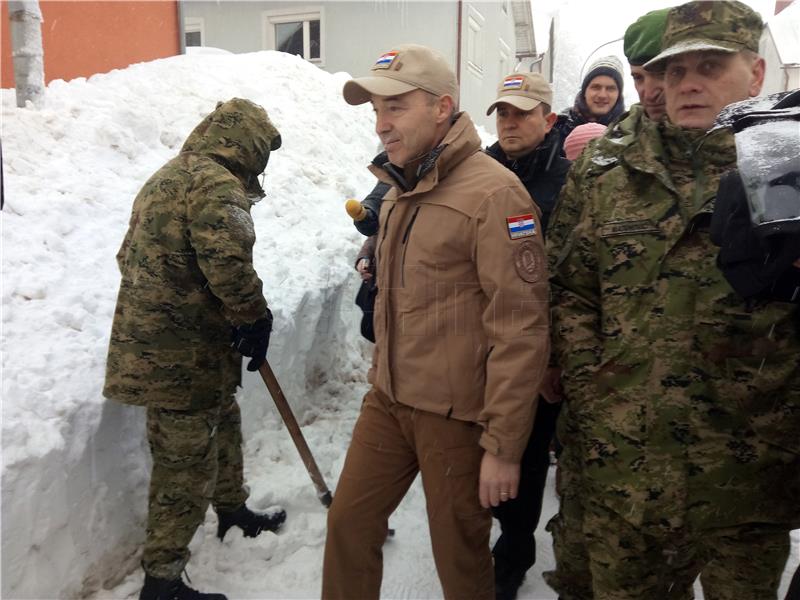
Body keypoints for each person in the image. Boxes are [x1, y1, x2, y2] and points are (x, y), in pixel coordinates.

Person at [549, 1, 800, 598]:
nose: (687, 84)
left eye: (711, 67)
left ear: (755, 75)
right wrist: (598, 390)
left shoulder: (790, 167)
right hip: (627, 472)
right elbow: (571, 291)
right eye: (673, 69)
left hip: (748, 473)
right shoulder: (605, 170)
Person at [322, 44, 550, 600]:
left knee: (460, 555)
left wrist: (503, 445)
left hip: (455, 413)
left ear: (442, 107)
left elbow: (520, 327)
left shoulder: (496, 194)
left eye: (395, 107)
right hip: (389, 399)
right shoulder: (401, 189)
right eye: (376, 110)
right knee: (348, 523)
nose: (381, 124)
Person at [104, 98, 286, 600]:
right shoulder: (218, 186)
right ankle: (162, 581)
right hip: (178, 359)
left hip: (178, 346)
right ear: (247, 145)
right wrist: (255, 317)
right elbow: (228, 265)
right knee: (181, 467)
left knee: (223, 420)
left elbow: (129, 257)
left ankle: (231, 510)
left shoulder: (166, 177)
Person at [543, 10, 672, 599]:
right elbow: (567, 279)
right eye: (640, 75)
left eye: (654, 75)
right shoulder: (594, 162)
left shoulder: (752, 164)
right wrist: (579, 372)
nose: (654, 89)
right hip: (600, 396)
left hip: (693, 430)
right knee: (585, 535)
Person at [482, 71, 570, 600]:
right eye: (504, 113)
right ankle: (485, 535)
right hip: (478, 345)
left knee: (527, 456)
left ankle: (514, 551)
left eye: (523, 112)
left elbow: (571, 277)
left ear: (549, 119)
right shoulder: (476, 171)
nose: (511, 123)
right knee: (480, 451)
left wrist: (552, 359)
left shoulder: (568, 182)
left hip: (535, 349)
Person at [552, 55, 625, 151]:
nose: (602, 95)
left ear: (618, 95)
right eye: (596, 87)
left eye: (610, 88)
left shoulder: (628, 130)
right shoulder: (559, 127)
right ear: (584, 91)